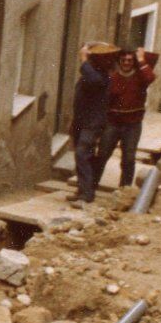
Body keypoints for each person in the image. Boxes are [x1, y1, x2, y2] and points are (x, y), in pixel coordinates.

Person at [94, 46, 156, 188]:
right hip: (113, 123)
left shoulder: (140, 76)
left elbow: (151, 77)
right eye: (123, 60)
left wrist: (141, 59)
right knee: (102, 155)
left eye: (130, 60)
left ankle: (124, 191)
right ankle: (90, 187)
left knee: (128, 159)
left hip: (132, 125)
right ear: (119, 61)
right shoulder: (112, 76)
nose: (127, 63)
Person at [70, 43, 112, 205]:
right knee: (81, 155)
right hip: (82, 121)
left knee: (82, 153)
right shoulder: (91, 73)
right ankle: (82, 190)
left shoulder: (102, 75)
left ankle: (87, 194)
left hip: (92, 123)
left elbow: (94, 81)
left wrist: (83, 60)